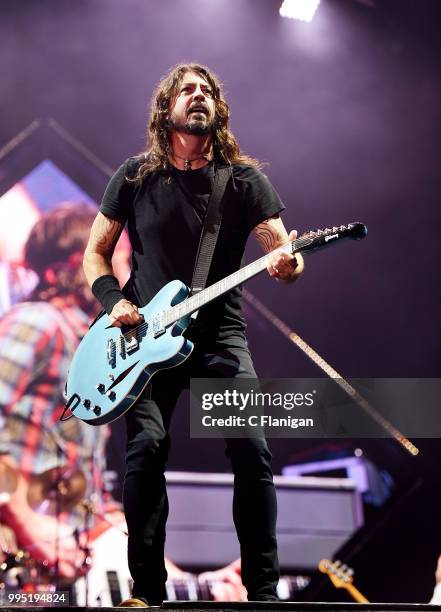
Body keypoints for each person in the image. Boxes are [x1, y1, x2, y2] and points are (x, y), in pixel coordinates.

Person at [83, 62, 304, 607]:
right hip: (146, 339)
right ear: (168, 108)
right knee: (147, 449)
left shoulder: (246, 180)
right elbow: (96, 253)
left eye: (207, 91)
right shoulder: (135, 176)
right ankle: (148, 593)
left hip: (220, 337)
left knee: (252, 451)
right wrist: (115, 304)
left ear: (218, 109)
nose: (199, 95)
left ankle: (263, 591)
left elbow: (281, 250)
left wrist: (288, 265)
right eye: (188, 90)